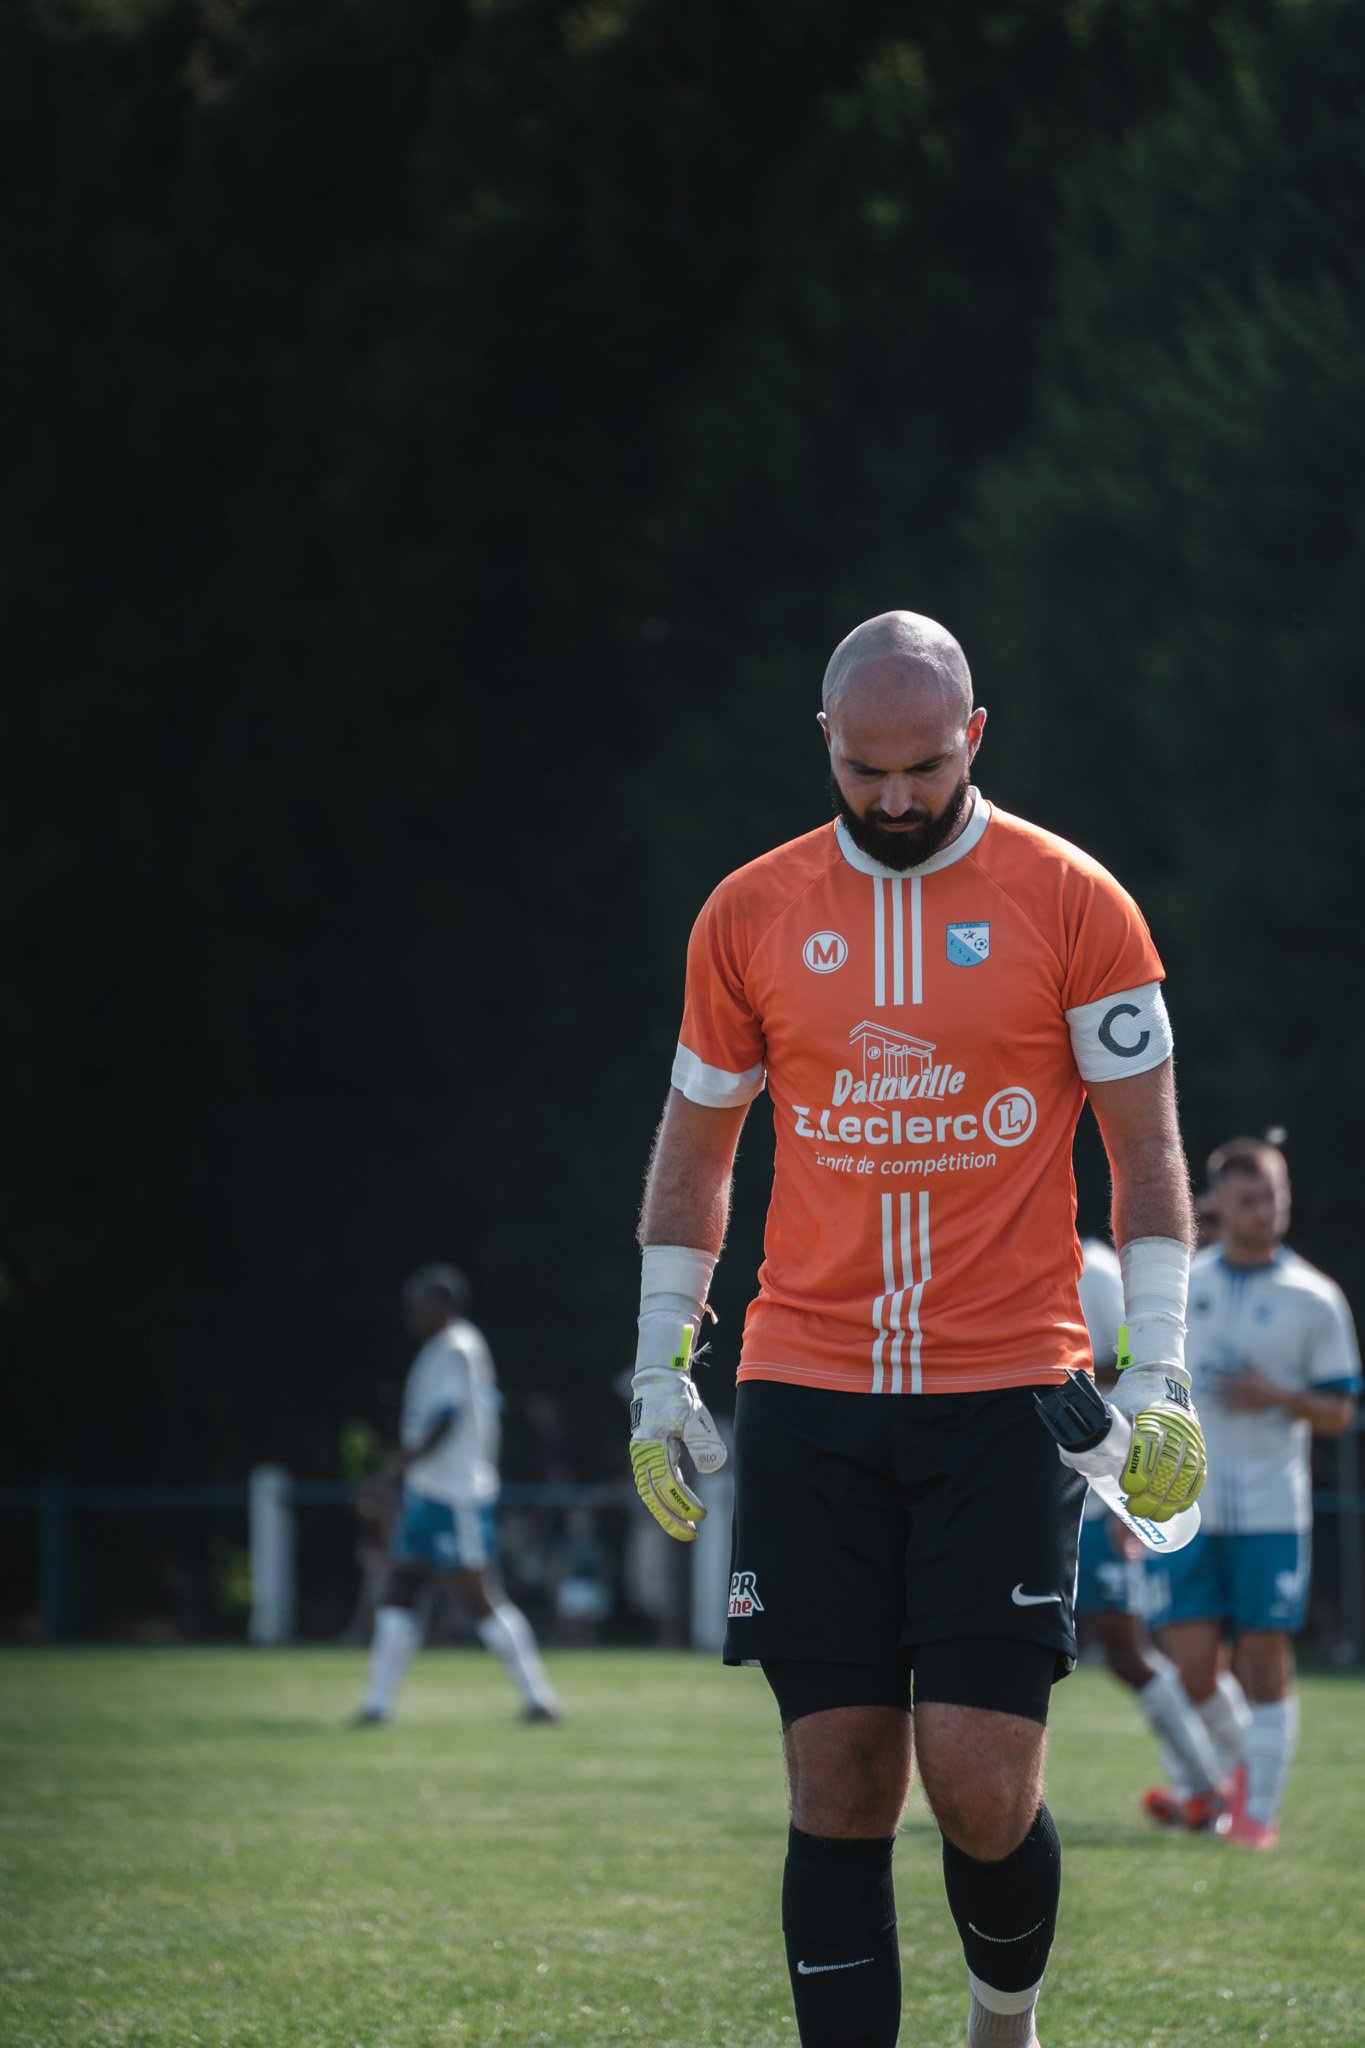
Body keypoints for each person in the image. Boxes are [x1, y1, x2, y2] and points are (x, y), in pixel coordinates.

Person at [628, 611, 1206, 2048]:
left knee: (978, 1784)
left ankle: (999, 2028)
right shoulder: (747, 912)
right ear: (825, 741)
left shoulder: (1077, 902)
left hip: (1007, 1392)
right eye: (868, 769)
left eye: (926, 768)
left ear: (976, 741)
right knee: (835, 1784)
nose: (895, 799)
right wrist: (656, 1365)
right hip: (806, 1387)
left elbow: (1144, 1157)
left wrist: (1165, 1370)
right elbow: (696, 1153)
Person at [1143, 1138, 1360, 1848]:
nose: (1265, 1211)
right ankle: (1238, 1774)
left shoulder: (1314, 1297)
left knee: (1265, 1662)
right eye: (1248, 1199)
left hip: (1272, 1512)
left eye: (1273, 1196)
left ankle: (1255, 1816)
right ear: (1217, 1206)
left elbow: (1338, 1413)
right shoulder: (1181, 1288)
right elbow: (1148, 1391)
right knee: (1193, 1667)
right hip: (1190, 1510)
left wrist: (1276, 1395)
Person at [354, 1264, 563, 1725]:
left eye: (420, 1305)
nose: (413, 1314)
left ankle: (540, 1698)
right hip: (428, 1494)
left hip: (456, 1496)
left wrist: (392, 1471)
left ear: (442, 1305)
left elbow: (446, 1421)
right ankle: (377, 1704)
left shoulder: (456, 1348)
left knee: (478, 1598)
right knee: (400, 1589)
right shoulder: (442, 1349)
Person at [1074, 1237, 1228, 1829]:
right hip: (1037, 1489)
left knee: (1126, 1650)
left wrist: (1122, 1505)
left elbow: (1131, 1368)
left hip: (1095, 1492)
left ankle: (1207, 1788)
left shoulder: (1098, 1269)